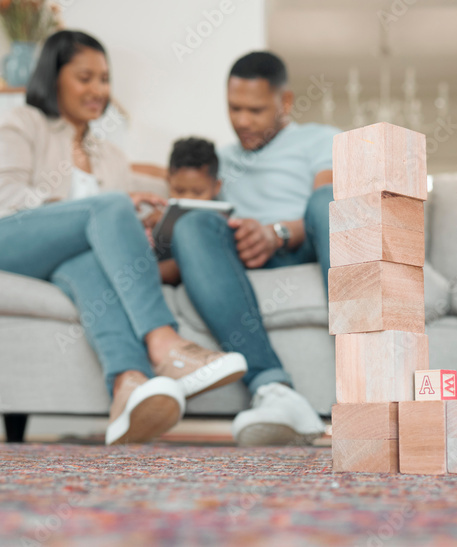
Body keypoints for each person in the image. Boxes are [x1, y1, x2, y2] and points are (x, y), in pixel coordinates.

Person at [0, 30, 247, 445]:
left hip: (63, 260)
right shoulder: (20, 122)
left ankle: (129, 387)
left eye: (105, 79)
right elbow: (4, 199)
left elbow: (102, 228)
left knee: (91, 260)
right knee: (111, 206)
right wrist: (105, 209)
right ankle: (164, 345)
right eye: (85, 77)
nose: (99, 90)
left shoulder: (110, 156)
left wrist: (138, 230)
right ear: (53, 77)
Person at [170, 51, 337, 446]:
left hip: (303, 244)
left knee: (327, 199)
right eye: (234, 109)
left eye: (255, 110)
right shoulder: (220, 159)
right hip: (238, 257)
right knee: (192, 222)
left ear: (285, 103)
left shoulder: (320, 140)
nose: (242, 121)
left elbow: (329, 204)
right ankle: (274, 389)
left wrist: (275, 233)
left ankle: (364, 382)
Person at [156, 137, 223, 286]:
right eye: (179, 191)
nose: (187, 199)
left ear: (216, 187)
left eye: (198, 193)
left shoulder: (221, 220)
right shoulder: (156, 214)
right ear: (168, 180)